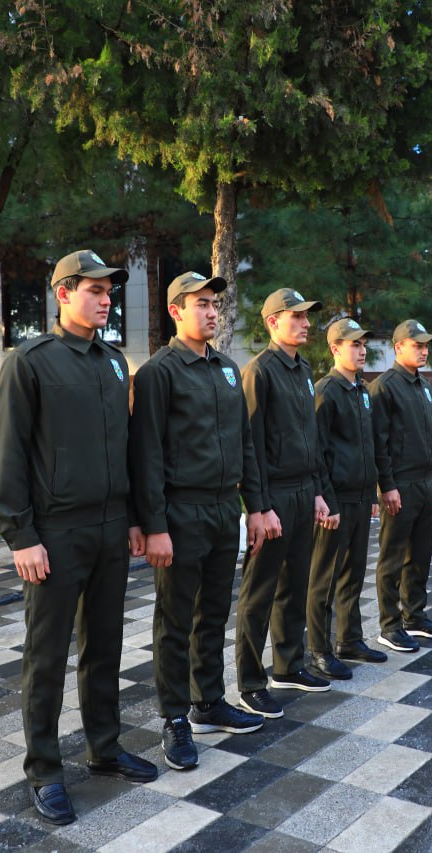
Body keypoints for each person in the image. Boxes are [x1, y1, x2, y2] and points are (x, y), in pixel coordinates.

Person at [0, 249, 155, 826]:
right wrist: (21, 536)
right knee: (47, 655)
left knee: (105, 645)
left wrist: (134, 517)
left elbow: (126, 451)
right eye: (94, 289)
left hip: (111, 529)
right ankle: (44, 769)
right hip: (55, 534)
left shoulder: (113, 363)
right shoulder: (31, 361)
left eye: (109, 291)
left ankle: (104, 749)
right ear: (63, 294)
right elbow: (7, 454)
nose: (106, 299)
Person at [130, 271, 268, 772]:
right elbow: (146, 453)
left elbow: (244, 444)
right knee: (174, 620)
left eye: (215, 304)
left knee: (213, 610)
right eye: (201, 303)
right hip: (181, 512)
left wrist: (255, 507)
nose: (212, 311)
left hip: (222, 509)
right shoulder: (159, 373)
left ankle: (207, 701)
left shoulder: (227, 370)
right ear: (175, 311)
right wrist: (155, 524)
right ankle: (174, 717)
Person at [235, 288, 336, 713]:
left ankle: (289, 665)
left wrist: (316, 491)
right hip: (273, 495)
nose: (306, 323)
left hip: (301, 492)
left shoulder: (303, 370)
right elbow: (251, 444)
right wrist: (259, 506)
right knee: (259, 592)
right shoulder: (260, 371)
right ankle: (250, 681)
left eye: (307, 316)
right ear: (273, 322)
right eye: (297, 316)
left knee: (295, 584)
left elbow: (309, 439)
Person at [307, 318, 388, 678]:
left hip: (359, 496)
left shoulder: (363, 391)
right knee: (324, 576)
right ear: (335, 348)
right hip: (336, 499)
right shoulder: (327, 390)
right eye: (353, 344)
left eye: (363, 344)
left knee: (353, 573)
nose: (361, 349)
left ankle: (350, 639)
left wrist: (372, 492)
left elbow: (368, 446)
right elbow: (318, 453)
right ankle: (319, 649)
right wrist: (327, 500)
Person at [370, 319, 432, 652]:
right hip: (399, 484)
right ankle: (389, 625)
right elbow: (379, 442)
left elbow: (430, 438)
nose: (424, 350)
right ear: (398, 346)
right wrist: (386, 486)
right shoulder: (384, 387)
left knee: (419, 554)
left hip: (424, 483)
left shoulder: (423, 385)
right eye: (417, 345)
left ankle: (414, 616)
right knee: (392, 557)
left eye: (426, 345)